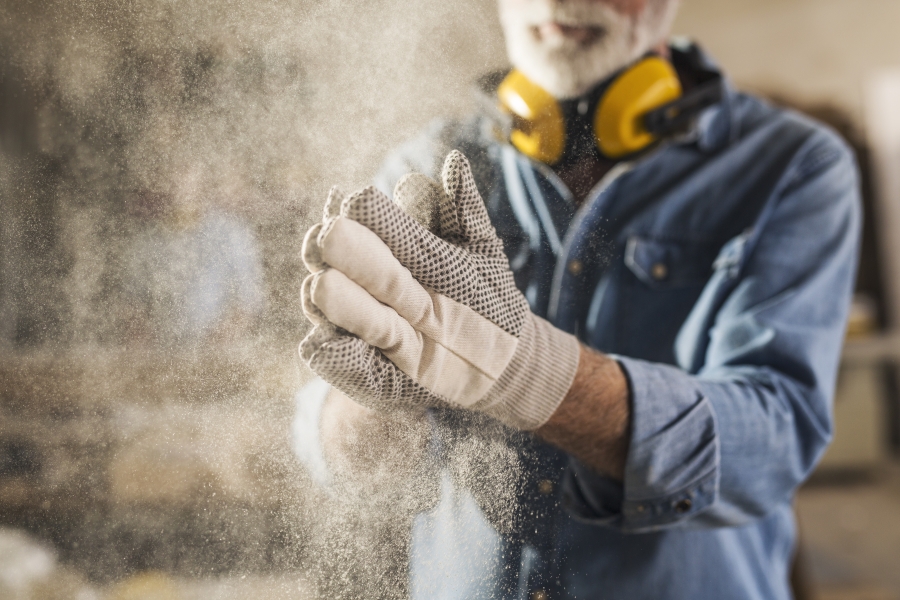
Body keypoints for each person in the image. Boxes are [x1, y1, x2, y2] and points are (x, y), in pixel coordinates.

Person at [293, 0, 861, 598]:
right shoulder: (428, 164)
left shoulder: (791, 168)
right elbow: (328, 444)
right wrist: (378, 404)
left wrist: (527, 372)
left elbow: (771, 448)